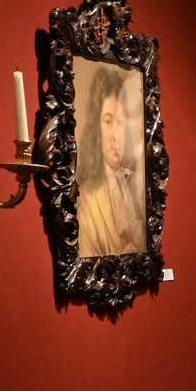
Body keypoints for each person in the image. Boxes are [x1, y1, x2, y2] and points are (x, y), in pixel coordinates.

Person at [76, 65, 145, 256]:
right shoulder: (86, 200)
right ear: (96, 127)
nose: (116, 135)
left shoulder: (134, 187)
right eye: (108, 121)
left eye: (120, 122)